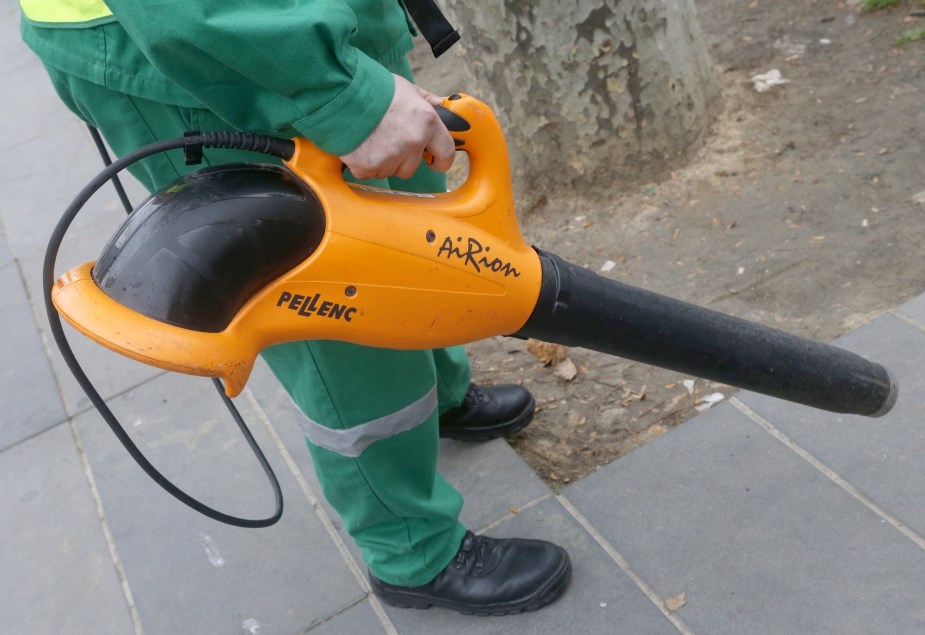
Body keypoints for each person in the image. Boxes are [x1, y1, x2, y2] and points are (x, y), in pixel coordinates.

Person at [20, 0, 571, 615]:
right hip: (218, 46)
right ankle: (413, 552)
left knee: (425, 246)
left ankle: (439, 397)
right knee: (337, 317)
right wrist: (338, 93)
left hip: (306, 26)